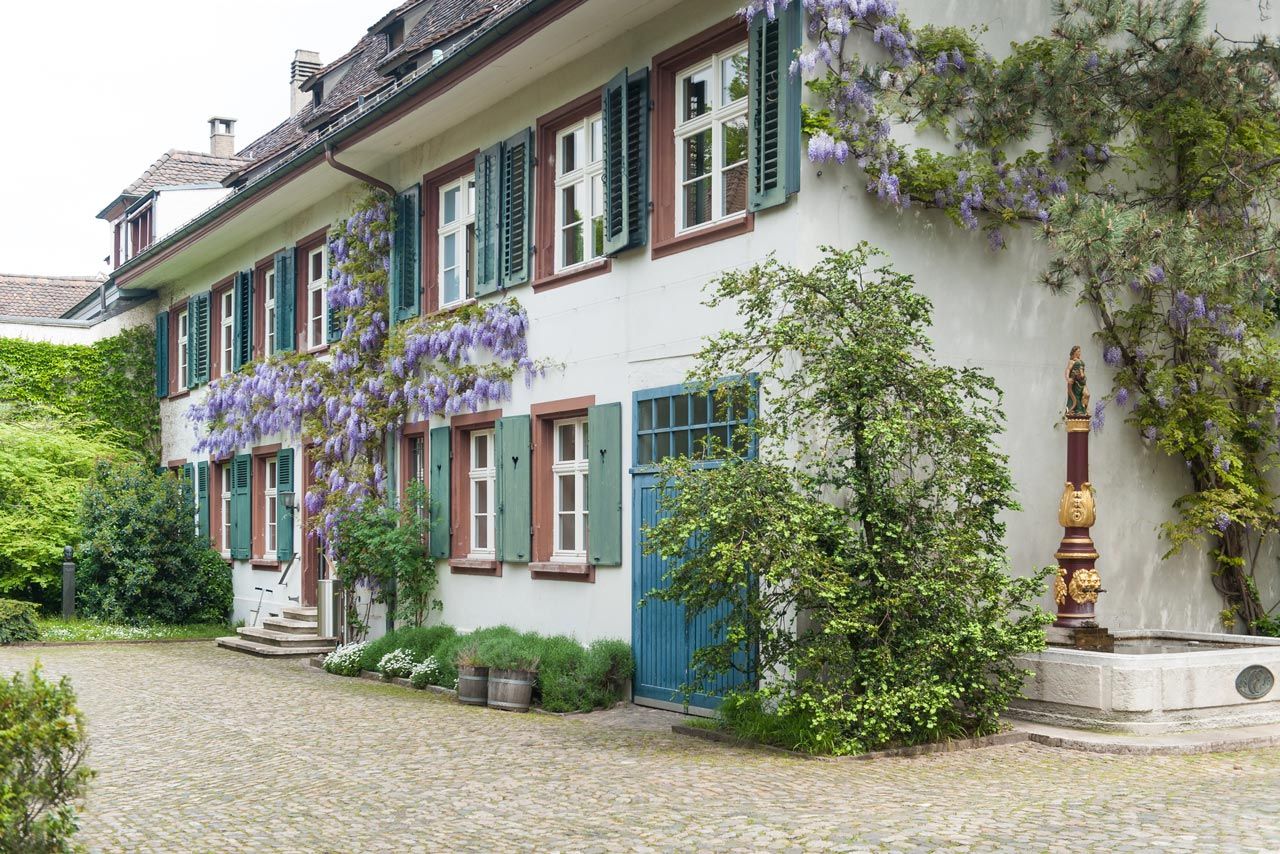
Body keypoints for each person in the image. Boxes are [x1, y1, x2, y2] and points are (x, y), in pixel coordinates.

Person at [1065, 345, 1089, 417]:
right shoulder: (1072, 362)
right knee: (1077, 396)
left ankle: (1084, 409)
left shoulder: (1080, 361)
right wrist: (1067, 378)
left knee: (1087, 394)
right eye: (1078, 351)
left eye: (1080, 351)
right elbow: (1068, 370)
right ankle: (1078, 411)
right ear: (1074, 352)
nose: (1079, 353)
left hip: (1083, 382)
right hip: (1075, 382)